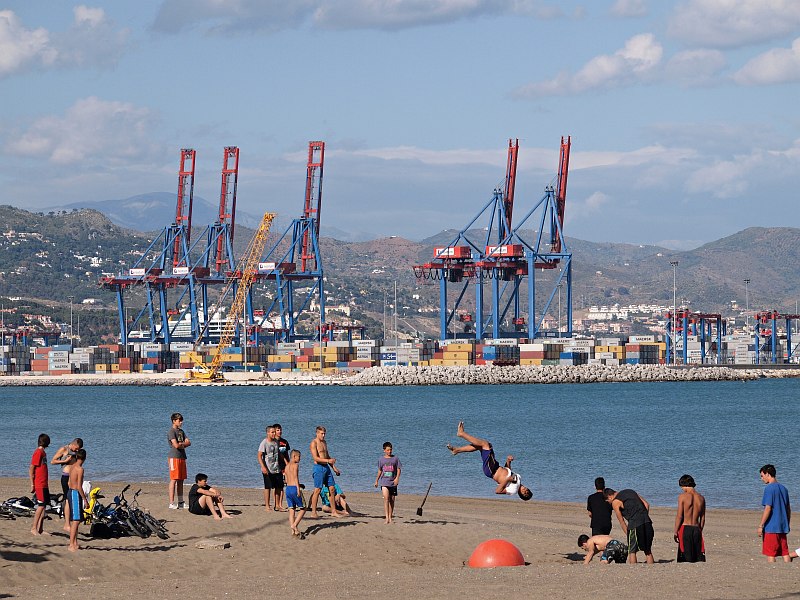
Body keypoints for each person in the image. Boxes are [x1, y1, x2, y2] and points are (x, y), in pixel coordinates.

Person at [446, 421, 532, 500]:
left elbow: (498, 491)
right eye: (527, 490)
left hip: (491, 470)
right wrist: (508, 461)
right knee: (482, 446)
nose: (525, 490)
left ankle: (461, 434)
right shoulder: (519, 478)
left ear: (520, 494)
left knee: (485, 444)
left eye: (524, 493)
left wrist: (507, 480)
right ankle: (456, 450)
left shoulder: (513, 491)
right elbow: (507, 471)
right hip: (495, 466)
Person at [604, 488, 655, 564]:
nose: (610, 503)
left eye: (608, 501)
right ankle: (651, 569)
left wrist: (628, 534)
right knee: (647, 551)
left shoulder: (615, 502)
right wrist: (643, 517)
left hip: (634, 524)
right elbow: (646, 505)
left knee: (632, 551)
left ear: (609, 496)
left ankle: (633, 570)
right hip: (647, 521)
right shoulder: (630, 491)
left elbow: (621, 521)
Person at [758, 464, 791, 563]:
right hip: (782, 526)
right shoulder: (784, 489)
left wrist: (761, 525)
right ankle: (788, 568)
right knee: (785, 551)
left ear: (767, 474)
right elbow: (788, 509)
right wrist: (787, 523)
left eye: (762, 476)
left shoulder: (769, 488)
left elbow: (768, 508)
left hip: (772, 527)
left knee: (771, 553)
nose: (761, 478)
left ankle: (772, 570)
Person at [309, 425, 343, 518]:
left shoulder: (324, 442)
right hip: (318, 468)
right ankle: (313, 512)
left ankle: (333, 511)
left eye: (324, 434)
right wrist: (328, 461)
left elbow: (327, 456)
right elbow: (315, 458)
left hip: (326, 468)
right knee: (317, 490)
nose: (323, 435)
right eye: (321, 433)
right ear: (317, 433)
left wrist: (334, 468)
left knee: (332, 489)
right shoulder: (314, 443)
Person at [51, 437, 83, 533]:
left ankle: (73, 521)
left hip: (73, 477)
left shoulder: (77, 451)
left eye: (78, 449)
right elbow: (53, 461)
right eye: (76, 448)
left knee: (73, 499)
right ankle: (67, 524)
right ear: (73, 444)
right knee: (68, 499)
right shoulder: (64, 449)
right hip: (66, 477)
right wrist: (64, 461)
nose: (77, 450)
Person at [674, 474, 706, 562]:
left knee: (685, 557)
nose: (682, 489)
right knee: (697, 558)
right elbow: (702, 518)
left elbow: (679, 516)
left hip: (685, 528)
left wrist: (675, 532)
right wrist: (700, 530)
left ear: (685, 485)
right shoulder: (701, 498)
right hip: (697, 529)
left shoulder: (682, 497)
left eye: (682, 487)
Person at [257, 425, 283, 511]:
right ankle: (267, 506)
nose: (274, 433)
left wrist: (285, 464)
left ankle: (277, 505)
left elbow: (279, 453)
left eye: (274, 432)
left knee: (278, 487)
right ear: (268, 433)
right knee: (268, 487)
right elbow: (259, 456)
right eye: (272, 432)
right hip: (268, 469)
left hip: (277, 468)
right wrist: (263, 467)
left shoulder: (276, 442)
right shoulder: (264, 443)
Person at [374, 441, 402, 524]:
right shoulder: (381, 460)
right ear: (384, 450)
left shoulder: (395, 458)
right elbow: (379, 471)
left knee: (392, 500)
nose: (390, 451)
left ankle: (390, 517)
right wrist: (376, 480)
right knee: (386, 499)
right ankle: (386, 518)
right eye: (388, 450)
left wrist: (397, 478)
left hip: (393, 482)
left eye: (391, 450)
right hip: (384, 482)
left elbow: (399, 469)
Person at [167, 412, 190, 509]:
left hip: (182, 457)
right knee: (174, 479)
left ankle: (181, 502)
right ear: (174, 421)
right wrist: (183, 444)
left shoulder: (181, 431)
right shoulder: (171, 431)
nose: (181, 422)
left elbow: (189, 442)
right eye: (179, 420)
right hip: (174, 457)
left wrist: (183, 445)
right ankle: (171, 503)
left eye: (181, 420)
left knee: (181, 480)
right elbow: (175, 445)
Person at [67, 449, 88, 552]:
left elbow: (68, 482)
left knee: (77, 519)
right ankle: (71, 544)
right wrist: (85, 500)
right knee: (76, 520)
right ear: (84, 458)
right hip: (75, 493)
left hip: (70, 492)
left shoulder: (72, 466)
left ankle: (75, 542)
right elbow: (79, 486)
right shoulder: (80, 469)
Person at [29, 433, 50, 536]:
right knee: (41, 506)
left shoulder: (43, 453)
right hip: (39, 483)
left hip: (44, 483)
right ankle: (33, 528)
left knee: (44, 506)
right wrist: (32, 484)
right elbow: (32, 468)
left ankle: (40, 528)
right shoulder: (38, 452)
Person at [283, 449, 307, 537]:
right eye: (299, 457)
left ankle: (293, 531)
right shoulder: (295, 465)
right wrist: (298, 488)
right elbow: (296, 477)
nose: (300, 459)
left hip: (288, 488)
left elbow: (285, 480)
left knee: (291, 510)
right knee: (303, 508)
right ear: (294, 456)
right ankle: (294, 525)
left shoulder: (286, 466)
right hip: (294, 488)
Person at [274, 423, 291, 510]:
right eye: (277, 430)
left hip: (284, 466)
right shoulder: (272, 442)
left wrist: (289, 464)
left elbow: (287, 454)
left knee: (283, 485)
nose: (279, 431)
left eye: (280, 430)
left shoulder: (285, 442)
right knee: (277, 486)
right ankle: (276, 505)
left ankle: (280, 504)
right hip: (275, 466)